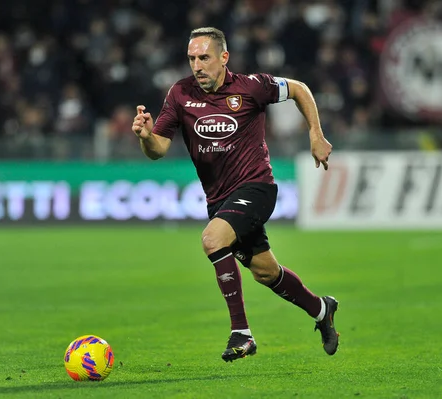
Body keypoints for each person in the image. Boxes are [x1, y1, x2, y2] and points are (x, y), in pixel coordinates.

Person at [131, 27, 339, 362]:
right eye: (192, 58)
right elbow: (158, 149)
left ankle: (241, 333)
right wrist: (144, 136)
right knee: (266, 273)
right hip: (220, 201)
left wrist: (315, 133)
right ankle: (321, 310)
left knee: (213, 240)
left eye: (204, 57)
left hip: (257, 188)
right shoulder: (180, 94)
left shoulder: (251, 87)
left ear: (223, 58)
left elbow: (299, 89)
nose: (197, 65)